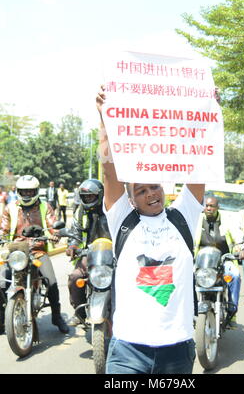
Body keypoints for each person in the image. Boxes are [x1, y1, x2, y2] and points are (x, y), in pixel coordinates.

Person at [96, 85, 204, 375]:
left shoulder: (183, 215)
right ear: (130, 199)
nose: (150, 194)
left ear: (164, 188)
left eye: (154, 186)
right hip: (127, 351)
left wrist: (206, 118)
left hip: (178, 350)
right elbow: (108, 171)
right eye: (140, 190)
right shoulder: (123, 219)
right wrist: (105, 122)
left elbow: (199, 168)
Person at [0, 175, 69, 334]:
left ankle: (57, 317)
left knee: (51, 282)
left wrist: (55, 234)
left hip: (38, 251)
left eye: (31, 192)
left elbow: (53, 224)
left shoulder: (45, 207)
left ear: (36, 191)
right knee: (1, 281)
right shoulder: (10, 208)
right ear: (18, 191)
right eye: (24, 192)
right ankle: (3, 318)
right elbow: (3, 229)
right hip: (16, 252)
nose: (27, 195)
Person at [194, 196, 244, 328]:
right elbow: (187, 235)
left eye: (212, 206)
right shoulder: (197, 220)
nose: (209, 208)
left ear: (217, 207)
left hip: (223, 260)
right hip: (201, 262)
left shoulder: (226, 220)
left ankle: (232, 312)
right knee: (186, 277)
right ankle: (191, 310)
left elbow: (238, 234)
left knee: (235, 276)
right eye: (206, 206)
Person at [67, 178, 110, 325]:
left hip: (112, 255)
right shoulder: (81, 212)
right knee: (75, 277)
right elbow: (75, 233)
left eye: (91, 196)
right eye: (85, 197)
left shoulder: (110, 209)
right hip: (89, 253)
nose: (87, 199)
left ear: (100, 195)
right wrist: (73, 245)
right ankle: (79, 313)